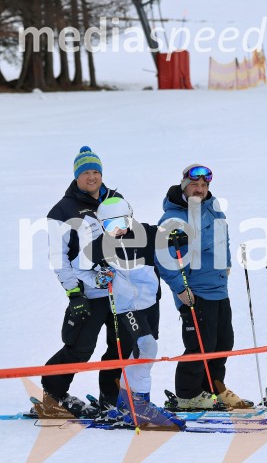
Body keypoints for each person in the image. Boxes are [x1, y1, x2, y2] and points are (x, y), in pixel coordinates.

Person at [78, 197, 185, 429]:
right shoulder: (96, 247)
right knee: (147, 347)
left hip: (150, 303)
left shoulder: (146, 232)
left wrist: (178, 236)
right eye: (109, 225)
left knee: (141, 352)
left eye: (122, 222)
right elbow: (80, 269)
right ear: (101, 224)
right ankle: (140, 405)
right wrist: (97, 278)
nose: (117, 229)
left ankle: (127, 402)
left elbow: (174, 231)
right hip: (127, 307)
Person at [40, 147, 126, 417]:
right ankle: (53, 395)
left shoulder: (114, 200)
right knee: (79, 347)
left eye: (96, 172)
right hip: (88, 292)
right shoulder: (63, 210)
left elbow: (130, 238)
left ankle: (110, 399)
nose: (92, 177)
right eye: (86, 172)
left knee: (120, 347)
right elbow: (59, 256)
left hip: (119, 290)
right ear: (76, 176)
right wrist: (74, 293)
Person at [157, 164, 251, 410]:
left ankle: (212, 389)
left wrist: (227, 263)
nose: (199, 189)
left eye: (204, 185)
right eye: (194, 185)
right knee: (200, 345)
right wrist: (179, 289)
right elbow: (163, 258)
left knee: (223, 343)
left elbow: (224, 236)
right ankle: (188, 395)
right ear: (184, 186)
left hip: (218, 288)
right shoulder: (173, 218)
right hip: (194, 292)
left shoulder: (212, 208)